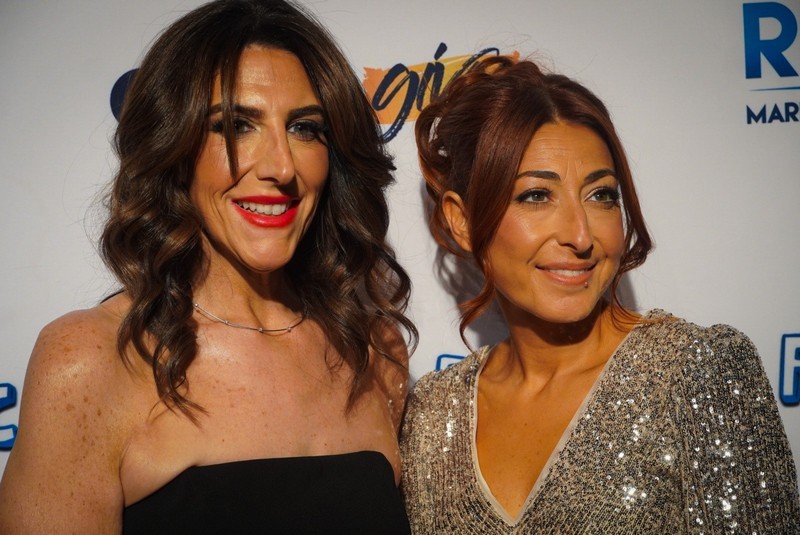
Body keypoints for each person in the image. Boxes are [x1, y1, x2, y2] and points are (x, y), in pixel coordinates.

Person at [0, 1, 417, 532]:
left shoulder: (375, 349)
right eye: (236, 125)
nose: (280, 166)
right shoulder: (91, 360)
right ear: (174, 148)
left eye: (304, 128)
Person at [400, 55, 800, 533]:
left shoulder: (693, 371)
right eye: (536, 195)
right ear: (462, 221)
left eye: (602, 195)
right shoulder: (432, 414)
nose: (581, 235)